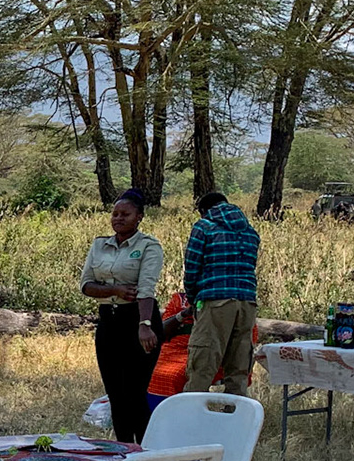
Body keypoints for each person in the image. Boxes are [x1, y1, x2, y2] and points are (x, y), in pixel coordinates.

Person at [79, 189, 162, 443]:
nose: (118, 218)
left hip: (138, 320)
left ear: (139, 217)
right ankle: (123, 449)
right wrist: (114, 289)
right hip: (109, 321)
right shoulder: (99, 245)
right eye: (115, 214)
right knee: (115, 392)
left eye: (125, 214)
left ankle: (145, 450)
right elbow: (86, 285)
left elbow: (146, 287)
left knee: (136, 392)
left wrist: (144, 325)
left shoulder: (149, 246)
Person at [183, 190, 261, 396]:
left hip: (215, 301)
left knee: (202, 364)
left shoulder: (204, 227)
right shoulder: (250, 232)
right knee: (239, 367)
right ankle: (235, 422)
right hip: (247, 302)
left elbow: (191, 268)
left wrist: (193, 299)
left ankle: (191, 419)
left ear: (203, 210)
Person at [147, 291, 260, 413]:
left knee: (173, 376)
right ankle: (149, 419)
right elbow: (162, 331)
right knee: (145, 369)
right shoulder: (180, 300)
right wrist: (183, 314)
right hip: (171, 349)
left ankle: (173, 416)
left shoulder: (226, 303)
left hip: (205, 350)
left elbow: (242, 342)